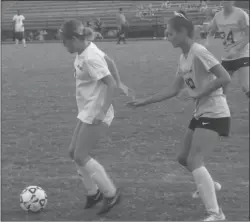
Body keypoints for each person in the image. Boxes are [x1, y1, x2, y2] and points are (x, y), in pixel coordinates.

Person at [128, 11, 231, 221]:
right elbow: (173, 89)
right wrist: (144, 101)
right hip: (201, 111)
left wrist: (197, 93)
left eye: (170, 34)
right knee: (183, 158)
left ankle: (216, 214)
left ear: (183, 32)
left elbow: (224, 77)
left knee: (194, 160)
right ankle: (209, 186)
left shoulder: (199, 51)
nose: (168, 37)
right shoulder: (183, 57)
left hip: (215, 112)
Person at [58, 20, 133, 214]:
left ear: (74, 39)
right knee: (73, 152)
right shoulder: (86, 49)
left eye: (64, 41)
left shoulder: (89, 57)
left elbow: (109, 84)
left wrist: (102, 110)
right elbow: (110, 61)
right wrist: (121, 82)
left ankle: (110, 193)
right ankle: (94, 193)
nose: (63, 45)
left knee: (81, 155)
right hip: (88, 109)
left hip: (97, 111)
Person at [205, 1, 249, 98]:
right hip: (226, 57)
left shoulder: (241, 14)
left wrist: (236, 49)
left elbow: (248, 35)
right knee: (220, 88)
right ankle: (221, 112)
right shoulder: (218, 16)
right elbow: (212, 30)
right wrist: (210, 33)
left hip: (242, 55)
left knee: (246, 86)